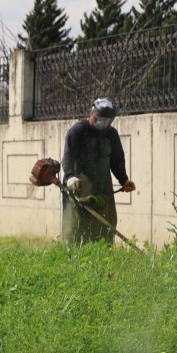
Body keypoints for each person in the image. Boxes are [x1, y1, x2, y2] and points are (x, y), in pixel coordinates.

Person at [60, 97, 137, 245]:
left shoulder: (111, 135)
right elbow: (68, 156)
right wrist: (70, 177)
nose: (104, 122)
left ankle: (103, 255)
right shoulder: (77, 132)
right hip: (78, 188)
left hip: (103, 188)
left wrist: (124, 180)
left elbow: (117, 160)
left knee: (107, 224)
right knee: (75, 227)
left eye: (108, 120)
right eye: (100, 118)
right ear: (92, 112)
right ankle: (72, 258)